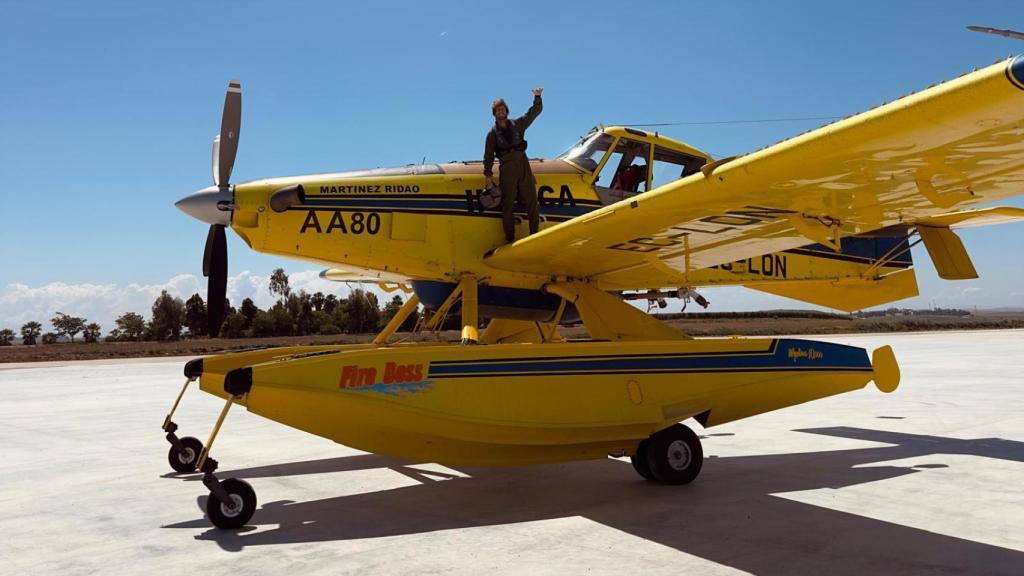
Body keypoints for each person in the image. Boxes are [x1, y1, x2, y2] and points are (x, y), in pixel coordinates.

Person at [484, 88, 543, 243]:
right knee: (507, 204)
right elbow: (488, 156)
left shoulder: (517, 124)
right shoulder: (492, 134)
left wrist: (537, 97)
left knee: (531, 199)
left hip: (523, 164)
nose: (501, 112)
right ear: (494, 113)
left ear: (507, 111)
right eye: (498, 110)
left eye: (502, 109)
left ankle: (535, 235)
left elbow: (534, 112)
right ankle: (510, 238)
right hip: (507, 167)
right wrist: (488, 176)